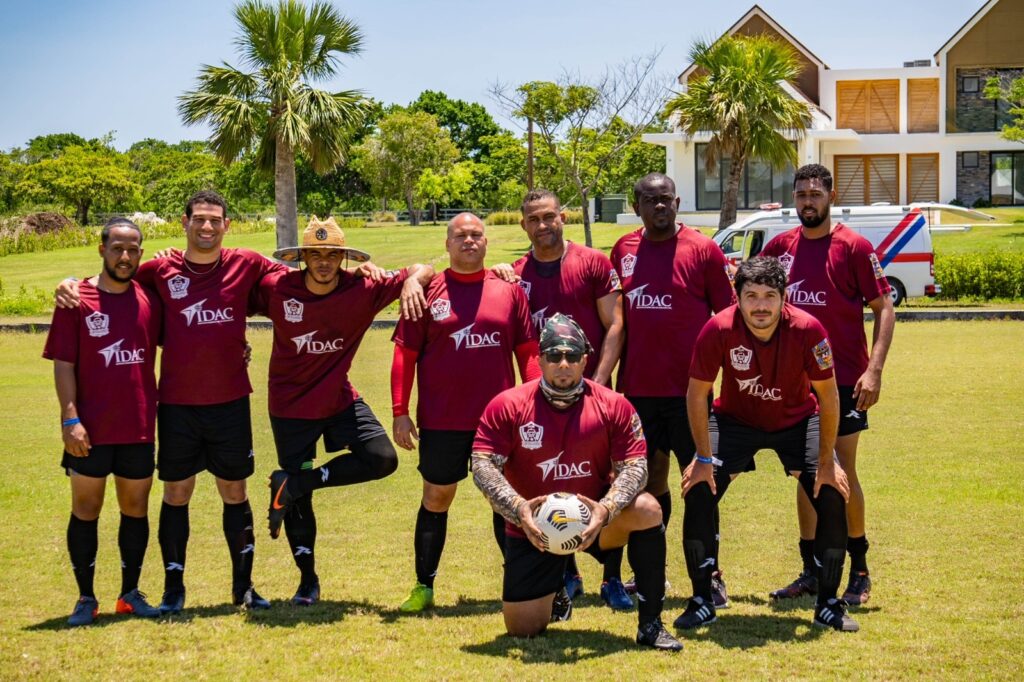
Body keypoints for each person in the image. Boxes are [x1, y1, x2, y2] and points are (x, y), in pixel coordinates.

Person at [55, 191, 289, 613]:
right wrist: (67, 282)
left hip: (232, 401)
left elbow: (294, 277)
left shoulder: (246, 262)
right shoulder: (158, 270)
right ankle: (172, 589)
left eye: (215, 220)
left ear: (226, 226)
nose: (207, 227)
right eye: (199, 219)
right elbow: (109, 281)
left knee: (234, 491)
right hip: (176, 405)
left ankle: (244, 588)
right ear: (184, 222)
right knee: (176, 493)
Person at [471, 314, 683, 651]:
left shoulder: (614, 405)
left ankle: (651, 625)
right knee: (523, 629)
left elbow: (636, 466)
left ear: (586, 359)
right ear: (540, 359)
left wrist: (606, 509)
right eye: (554, 356)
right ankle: (555, 589)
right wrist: (519, 508)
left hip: (596, 521)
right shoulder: (508, 405)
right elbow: (482, 466)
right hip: (534, 528)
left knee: (647, 508)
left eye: (572, 356)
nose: (563, 364)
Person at [256, 216, 434, 605]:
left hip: (339, 399)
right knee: (300, 502)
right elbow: (229, 300)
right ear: (302, 256)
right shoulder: (277, 287)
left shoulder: (364, 288)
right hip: (290, 407)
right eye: (315, 254)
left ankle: (297, 482)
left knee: (381, 458)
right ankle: (307, 580)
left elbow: (425, 267)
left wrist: (409, 280)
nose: (323, 261)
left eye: (332, 254)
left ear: (344, 257)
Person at [677, 256, 858, 632]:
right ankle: (702, 599)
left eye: (770, 296)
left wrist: (827, 460)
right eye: (751, 296)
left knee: (831, 492)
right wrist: (703, 457)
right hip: (735, 421)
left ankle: (828, 603)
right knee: (697, 489)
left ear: (784, 297)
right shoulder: (717, 329)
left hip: (797, 420)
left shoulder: (808, 329)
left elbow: (828, 396)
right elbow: (698, 395)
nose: (761, 306)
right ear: (737, 298)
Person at [390, 213, 539, 613]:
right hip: (442, 420)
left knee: (505, 502)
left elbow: (527, 353)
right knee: (437, 498)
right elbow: (404, 354)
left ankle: (519, 584)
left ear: (486, 243)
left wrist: (535, 404)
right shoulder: (425, 291)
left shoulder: (509, 290)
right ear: (447, 244)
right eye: (460, 235)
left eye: (476, 235)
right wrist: (400, 411)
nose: (468, 241)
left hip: (500, 422)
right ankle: (424, 586)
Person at [760, 164, 895, 605]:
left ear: (830, 196)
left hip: (843, 382)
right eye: (801, 194)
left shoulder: (853, 247)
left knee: (840, 470)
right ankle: (811, 570)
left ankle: (858, 568)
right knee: (804, 475)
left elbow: (884, 308)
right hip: (793, 386)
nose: (807, 202)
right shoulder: (780, 248)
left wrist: (873, 371)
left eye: (815, 194)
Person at [607, 173, 735, 609]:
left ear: (678, 202)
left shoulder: (703, 250)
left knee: (700, 482)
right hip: (636, 394)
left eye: (665, 200)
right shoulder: (623, 250)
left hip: (691, 395)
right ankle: (648, 574)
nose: (659, 207)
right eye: (649, 200)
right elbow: (616, 321)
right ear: (636, 205)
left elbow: (728, 318)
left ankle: (709, 574)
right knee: (645, 482)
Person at [493, 188, 625, 605]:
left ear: (563, 217)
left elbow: (616, 324)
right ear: (523, 224)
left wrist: (600, 382)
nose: (542, 225)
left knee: (606, 485)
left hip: (590, 398)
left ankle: (613, 578)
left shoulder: (593, 263)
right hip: (538, 406)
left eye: (549, 216)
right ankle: (563, 575)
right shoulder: (515, 273)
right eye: (533, 219)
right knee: (544, 484)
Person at [43, 217, 162, 625]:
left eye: (132, 250)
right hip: (88, 429)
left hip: (139, 426)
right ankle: (85, 598)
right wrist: (69, 419)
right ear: (101, 249)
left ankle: (129, 594)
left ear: (140, 253)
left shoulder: (150, 298)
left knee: (135, 509)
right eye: (117, 248)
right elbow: (63, 364)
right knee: (86, 508)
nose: (124, 257)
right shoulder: (77, 299)